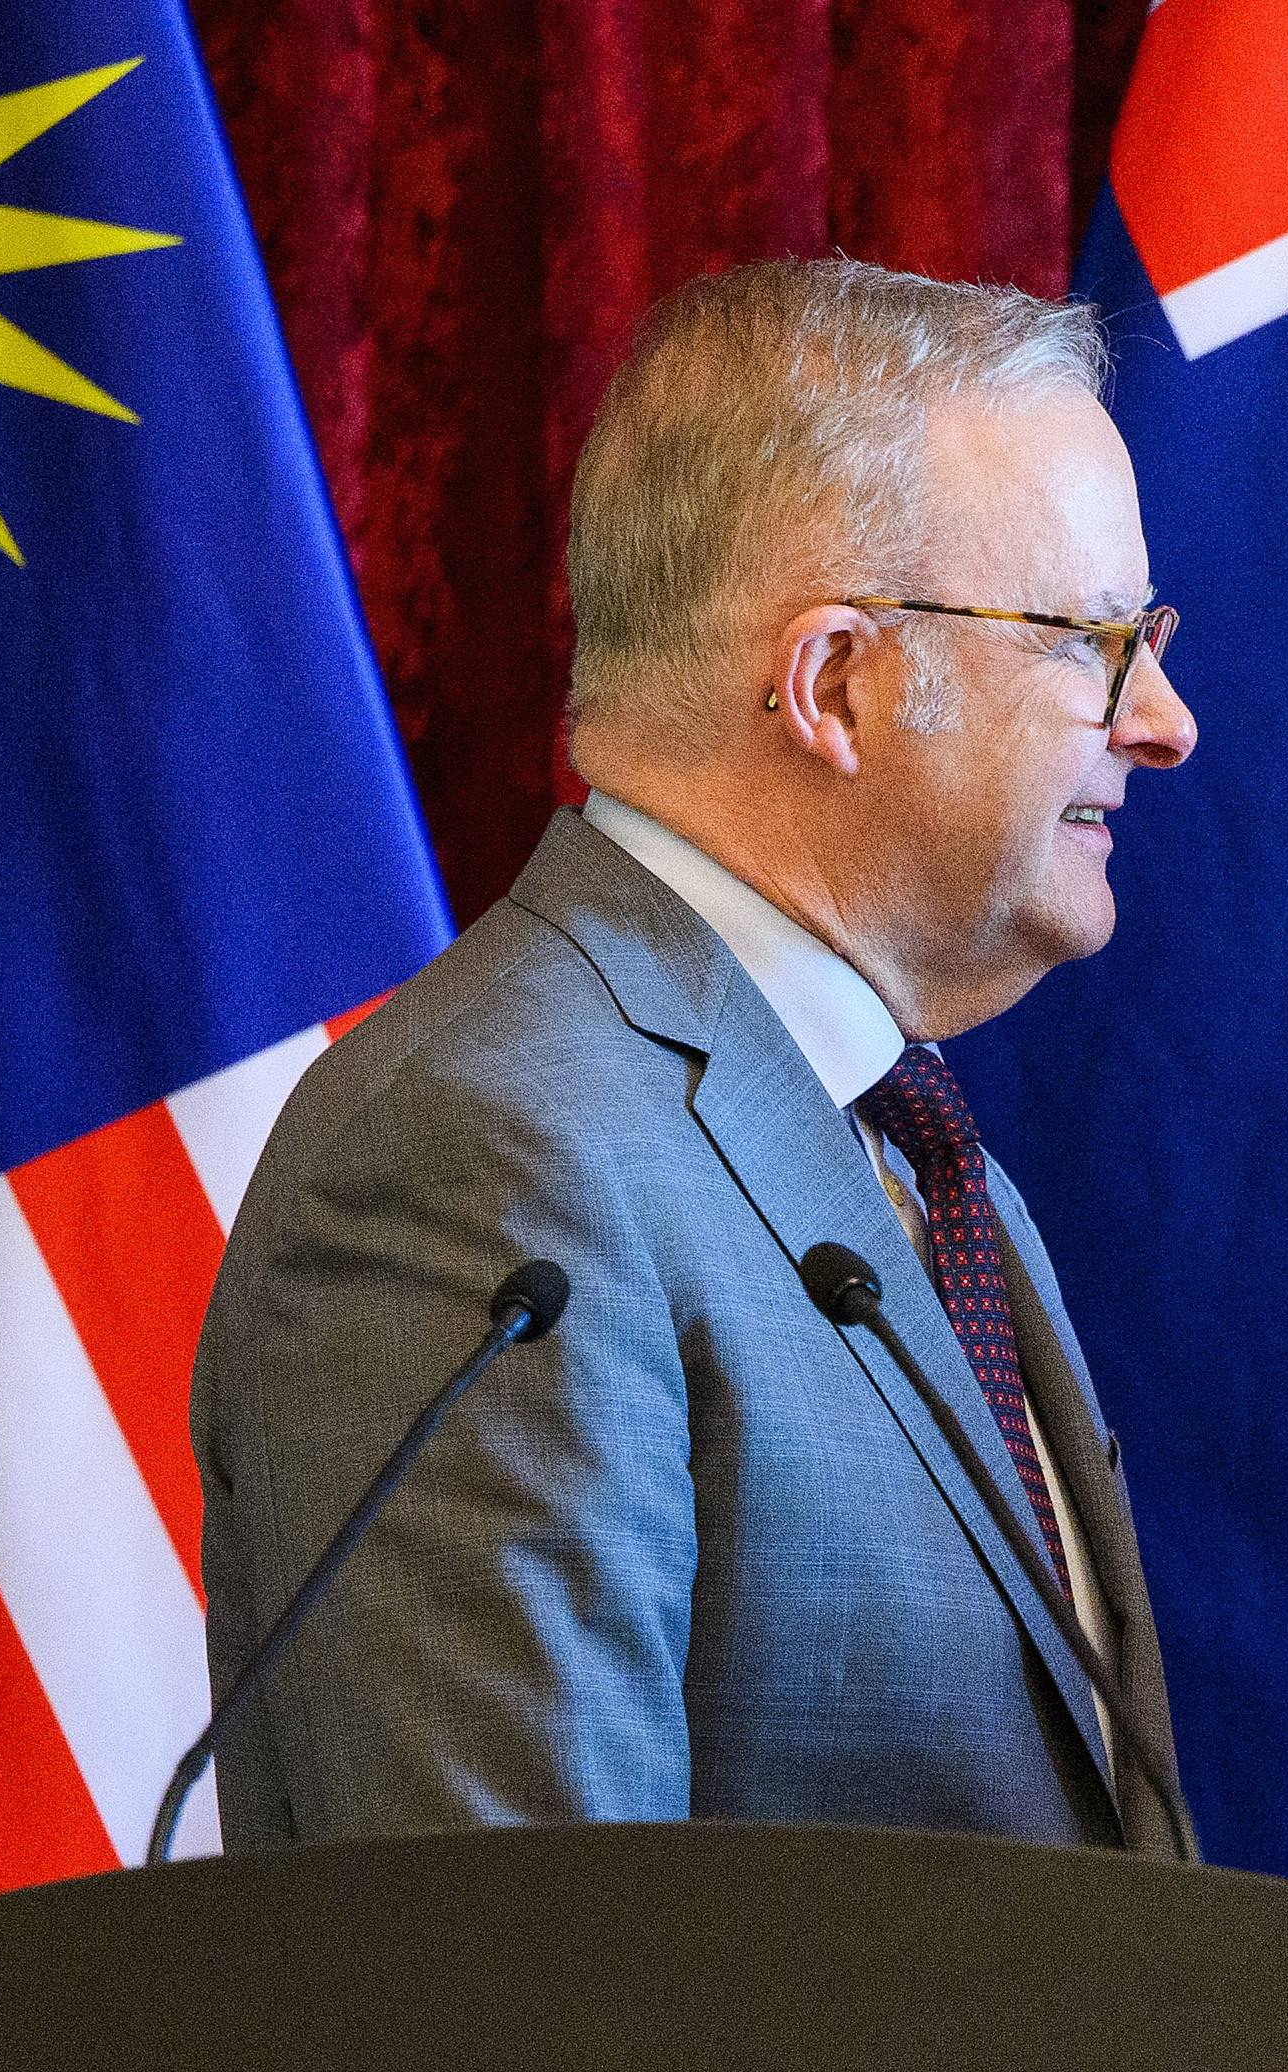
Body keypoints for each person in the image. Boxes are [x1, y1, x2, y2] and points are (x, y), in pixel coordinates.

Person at [194, 258, 1198, 1857]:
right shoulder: (484, 1153)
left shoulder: (917, 1154)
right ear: (837, 684)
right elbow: (526, 2031)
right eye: (1094, 640)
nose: (1164, 720)